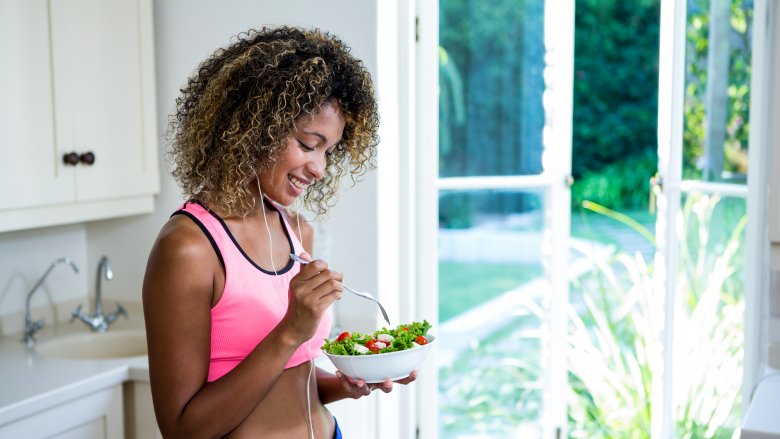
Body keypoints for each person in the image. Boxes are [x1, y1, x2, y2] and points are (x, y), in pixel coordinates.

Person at [142, 26, 415, 438]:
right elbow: (183, 429)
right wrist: (291, 330)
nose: (319, 169)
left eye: (329, 151)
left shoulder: (295, 232)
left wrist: (346, 382)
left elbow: (291, 379)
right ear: (255, 127)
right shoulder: (189, 249)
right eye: (309, 144)